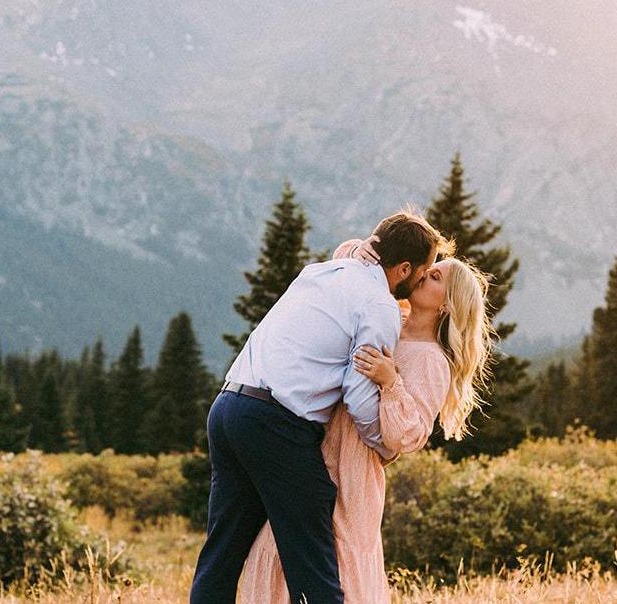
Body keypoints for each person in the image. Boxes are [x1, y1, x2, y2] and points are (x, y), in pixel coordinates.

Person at [189, 210, 448, 604]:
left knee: (221, 555)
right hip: (275, 423)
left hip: (228, 407)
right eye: (423, 271)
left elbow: (354, 256)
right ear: (404, 269)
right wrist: (381, 444)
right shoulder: (379, 305)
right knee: (315, 563)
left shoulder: (322, 272)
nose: (422, 279)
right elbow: (358, 392)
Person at [237, 241, 495, 604]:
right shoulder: (389, 316)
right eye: (427, 269)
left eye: (435, 277)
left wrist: (391, 382)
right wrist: (373, 246)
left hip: (354, 471)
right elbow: (348, 258)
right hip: (313, 445)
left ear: (447, 304)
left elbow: (409, 435)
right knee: (282, 544)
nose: (423, 275)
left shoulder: (432, 360)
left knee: (335, 563)